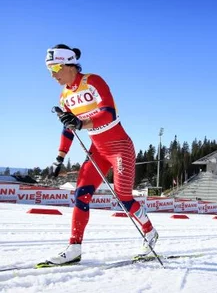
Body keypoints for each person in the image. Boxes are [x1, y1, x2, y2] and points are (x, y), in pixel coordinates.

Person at [45, 44, 158, 265]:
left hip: (120, 148)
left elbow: (108, 113)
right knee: (81, 194)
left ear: (68, 65)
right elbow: (68, 128)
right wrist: (59, 157)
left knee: (123, 197)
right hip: (97, 151)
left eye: (55, 68)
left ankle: (150, 231)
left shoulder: (93, 81)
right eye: (49, 70)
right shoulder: (64, 97)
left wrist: (81, 122)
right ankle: (74, 247)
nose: (53, 75)